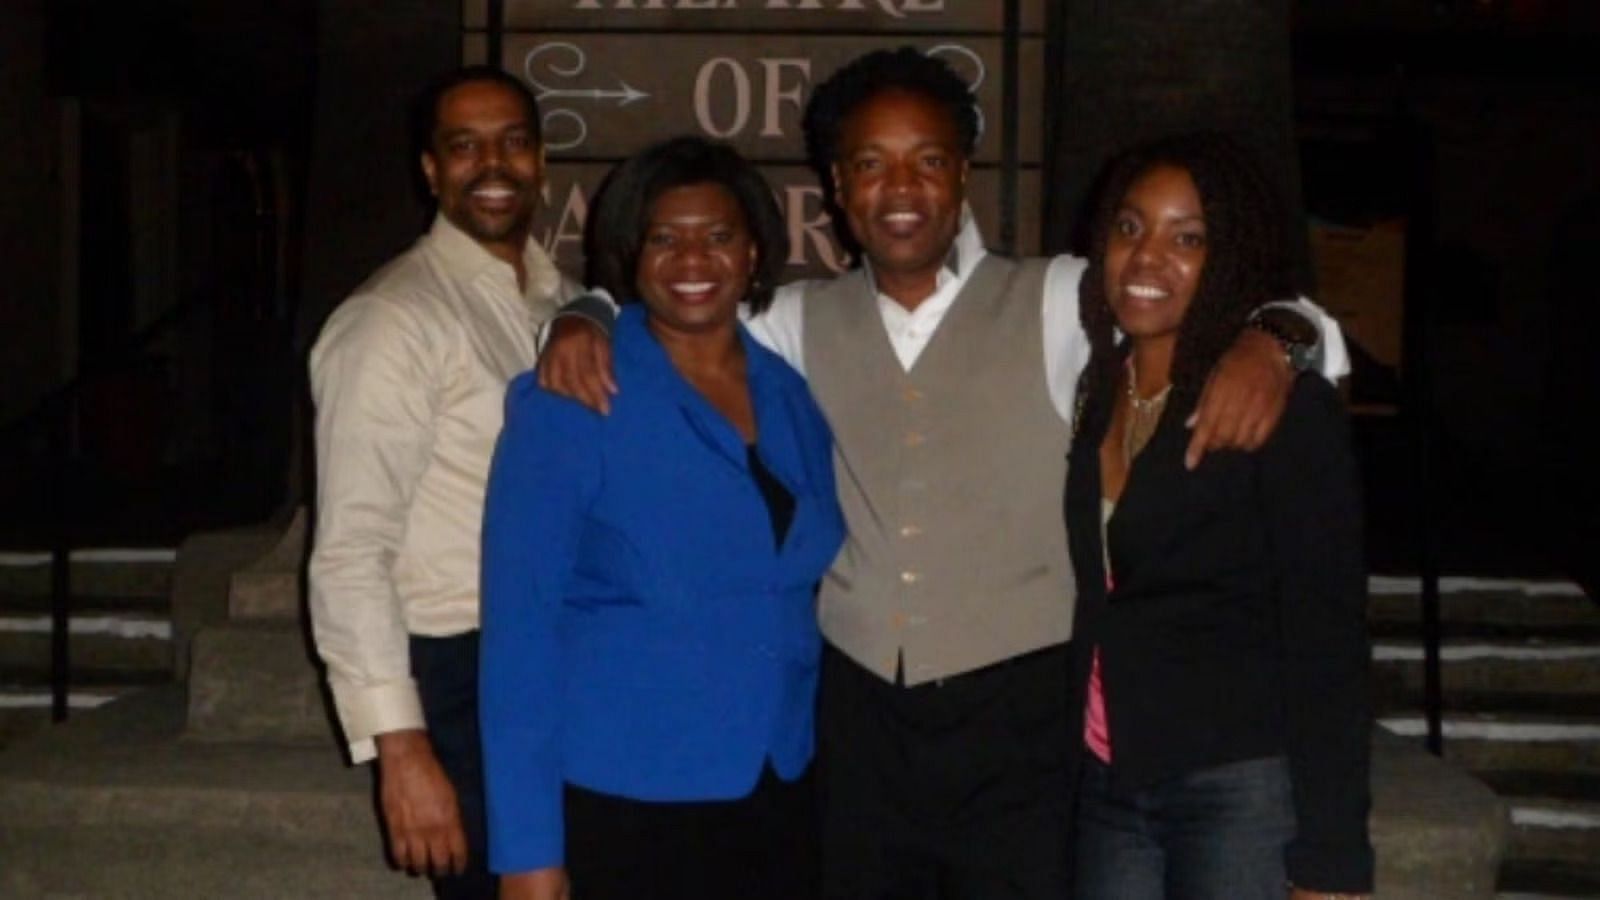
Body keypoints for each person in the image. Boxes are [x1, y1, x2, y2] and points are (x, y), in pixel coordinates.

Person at [539, 48, 1350, 899]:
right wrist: (583, 312)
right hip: (858, 725)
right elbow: (675, 306)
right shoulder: (794, 321)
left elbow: (1225, 304)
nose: (900, 188)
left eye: (927, 161)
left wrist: (1277, 334)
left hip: (1022, 725)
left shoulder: (1057, 297)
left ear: (962, 175)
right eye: (870, 164)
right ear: (838, 188)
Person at [478, 135, 845, 900]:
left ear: (753, 253)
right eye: (664, 238)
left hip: (778, 787)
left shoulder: (792, 395)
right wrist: (527, 854)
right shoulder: (572, 398)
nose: (692, 259)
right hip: (625, 797)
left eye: (717, 236)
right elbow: (520, 635)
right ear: (631, 254)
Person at [1064, 133, 1373, 900]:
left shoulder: (1283, 407)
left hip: (1238, 788)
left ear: (1228, 255)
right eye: (1130, 228)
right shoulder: (1094, 384)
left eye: (1188, 238)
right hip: (1107, 783)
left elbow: (1327, 634)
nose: (1147, 258)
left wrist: (1333, 857)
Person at [306, 65, 579, 899]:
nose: (491, 164)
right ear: (431, 169)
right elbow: (350, 550)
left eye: (512, 142)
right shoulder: (392, 322)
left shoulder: (555, 297)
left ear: (539, 161)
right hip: (459, 669)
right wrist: (401, 744)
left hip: (556, 659)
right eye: (464, 146)